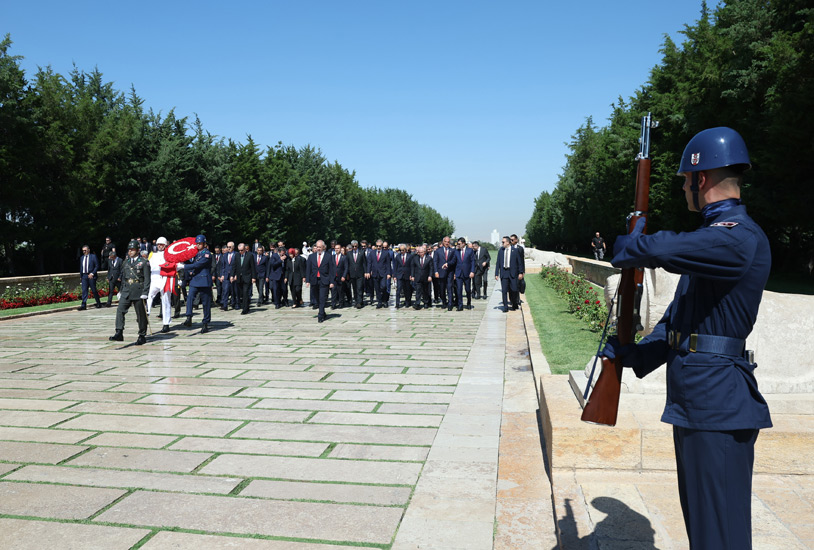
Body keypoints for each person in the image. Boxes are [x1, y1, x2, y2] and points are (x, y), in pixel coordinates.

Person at [602, 127, 771, 549]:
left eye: (683, 180)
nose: (681, 188)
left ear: (701, 178)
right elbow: (680, 322)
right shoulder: (715, 240)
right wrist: (635, 356)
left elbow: (663, 249)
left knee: (720, 536)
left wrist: (630, 242)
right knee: (704, 529)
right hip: (700, 402)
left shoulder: (736, 236)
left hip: (718, 405)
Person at [109, 240, 150, 345]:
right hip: (127, 290)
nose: (130, 251)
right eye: (129, 250)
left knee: (140, 315)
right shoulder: (126, 262)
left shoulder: (144, 262)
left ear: (137, 250)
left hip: (138, 290)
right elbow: (124, 277)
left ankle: (142, 335)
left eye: (133, 249)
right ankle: (119, 332)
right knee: (120, 310)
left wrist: (145, 292)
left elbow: (147, 279)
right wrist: (121, 291)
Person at [182, 235, 214, 333]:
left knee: (206, 303)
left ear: (204, 244)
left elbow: (197, 265)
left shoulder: (207, 254)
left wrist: (184, 267)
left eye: (200, 244)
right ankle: (188, 317)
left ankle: (205, 323)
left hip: (204, 281)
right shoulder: (195, 254)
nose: (198, 245)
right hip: (195, 280)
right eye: (197, 244)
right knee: (190, 298)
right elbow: (191, 262)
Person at [145, 237, 178, 333]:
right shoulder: (153, 255)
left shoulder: (169, 255)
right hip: (154, 278)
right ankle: (147, 313)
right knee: (148, 295)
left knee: (165, 300)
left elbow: (175, 265)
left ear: (165, 245)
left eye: (161, 244)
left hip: (164, 278)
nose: (159, 246)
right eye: (158, 244)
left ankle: (166, 323)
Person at [305, 240, 334, 322]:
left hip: (324, 280)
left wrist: (332, 282)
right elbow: (308, 269)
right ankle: (323, 311)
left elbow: (332, 270)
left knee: (322, 298)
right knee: (317, 298)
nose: (318, 249)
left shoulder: (328, 257)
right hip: (314, 280)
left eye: (320, 247)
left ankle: (320, 315)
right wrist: (307, 280)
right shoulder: (311, 257)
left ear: (323, 247)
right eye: (317, 247)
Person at [494, 236, 524, 312]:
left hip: (513, 273)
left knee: (513, 289)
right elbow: (498, 262)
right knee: (504, 291)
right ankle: (505, 307)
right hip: (504, 273)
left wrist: (521, 272)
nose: (502, 243)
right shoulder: (501, 250)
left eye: (503, 242)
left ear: (508, 242)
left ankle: (514, 303)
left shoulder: (515, 250)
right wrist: (496, 273)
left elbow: (519, 263)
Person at [230, 242, 257, 315]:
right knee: (242, 293)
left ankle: (244, 309)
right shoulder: (236, 255)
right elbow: (234, 266)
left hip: (247, 277)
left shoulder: (250, 255)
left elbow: (253, 267)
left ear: (245, 249)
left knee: (245, 292)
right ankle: (247, 306)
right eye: (239, 250)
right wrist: (232, 275)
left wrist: (254, 277)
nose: (240, 252)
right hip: (239, 278)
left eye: (242, 250)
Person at [434, 236, 457, 311]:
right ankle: (444, 302)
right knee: (441, 289)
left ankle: (450, 304)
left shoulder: (452, 251)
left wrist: (448, 264)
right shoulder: (438, 251)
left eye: (448, 242)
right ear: (443, 242)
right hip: (441, 272)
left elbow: (454, 261)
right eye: (445, 241)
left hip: (450, 272)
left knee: (450, 288)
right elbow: (435, 262)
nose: (447, 243)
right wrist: (436, 271)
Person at [367, 239, 392, 308]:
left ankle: (385, 300)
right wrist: (368, 272)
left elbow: (388, 264)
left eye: (380, 246)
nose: (378, 247)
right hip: (375, 273)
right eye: (377, 246)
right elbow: (369, 263)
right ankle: (380, 302)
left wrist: (389, 273)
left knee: (383, 286)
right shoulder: (372, 253)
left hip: (383, 273)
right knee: (377, 288)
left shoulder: (386, 253)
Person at [453, 237, 475, 311]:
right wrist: (447, 264)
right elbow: (453, 262)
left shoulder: (470, 251)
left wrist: (472, 271)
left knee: (467, 289)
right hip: (458, 273)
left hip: (467, 273)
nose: (458, 245)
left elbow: (472, 262)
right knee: (459, 290)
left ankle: (468, 302)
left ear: (463, 243)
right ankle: (460, 305)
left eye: (459, 244)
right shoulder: (456, 251)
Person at [78, 245, 102, 310]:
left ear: (88, 250)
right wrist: (81, 276)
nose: (84, 252)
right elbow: (81, 267)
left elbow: (97, 266)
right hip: (84, 276)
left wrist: (92, 273)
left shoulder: (93, 257)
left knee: (93, 290)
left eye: (85, 250)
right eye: (83, 251)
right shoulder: (82, 258)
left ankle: (98, 303)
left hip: (91, 275)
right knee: (84, 290)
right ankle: (83, 305)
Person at [410, 245, 433, 309]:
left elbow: (431, 268)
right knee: (418, 291)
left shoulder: (429, 258)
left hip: (426, 277)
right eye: (419, 252)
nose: (420, 253)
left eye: (421, 252)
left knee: (425, 291)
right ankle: (417, 303)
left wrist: (430, 276)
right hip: (418, 277)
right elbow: (413, 267)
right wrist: (412, 275)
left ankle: (426, 302)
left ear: (424, 252)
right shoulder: (415, 258)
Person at [346, 240, 367, 308]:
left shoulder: (362, 252)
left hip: (360, 273)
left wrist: (366, 272)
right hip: (352, 274)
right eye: (353, 246)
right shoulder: (349, 253)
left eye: (356, 246)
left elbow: (364, 263)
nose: (354, 247)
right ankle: (356, 300)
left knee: (359, 288)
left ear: (358, 246)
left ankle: (359, 302)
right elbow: (348, 264)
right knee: (354, 288)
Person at [392, 244, 413, 309]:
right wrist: (394, 275)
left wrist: (411, 275)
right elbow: (395, 266)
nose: (401, 251)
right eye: (400, 250)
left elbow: (412, 266)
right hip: (399, 275)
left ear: (406, 250)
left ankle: (407, 301)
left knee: (407, 289)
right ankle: (397, 303)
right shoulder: (397, 257)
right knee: (398, 290)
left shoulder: (410, 256)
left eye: (403, 250)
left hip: (407, 274)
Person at [218, 242, 236, 310]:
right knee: (225, 290)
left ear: (233, 247)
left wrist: (235, 275)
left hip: (233, 275)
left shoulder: (236, 254)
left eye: (230, 247)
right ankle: (225, 305)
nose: (229, 248)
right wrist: (222, 275)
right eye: (228, 247)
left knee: (233, 290)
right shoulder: (225, 255)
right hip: (226, 275)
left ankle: (234, 303)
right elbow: (223, 266)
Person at [330, 244, 348, 309]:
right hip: (334, 277)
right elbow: (331, 267)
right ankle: (333, 304)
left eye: (338, 248)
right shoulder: (332, 257)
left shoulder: (344, 257)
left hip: (341, 276)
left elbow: (346, 267)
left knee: (340, 291)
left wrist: (344, 276)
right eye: (335, 248)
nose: (336, 249)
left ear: (340, 249)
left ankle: (341, 303)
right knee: (333, 291)